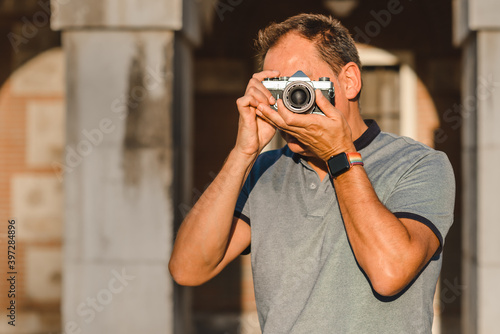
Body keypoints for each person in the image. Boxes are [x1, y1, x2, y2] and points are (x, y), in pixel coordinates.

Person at [169, 13, 455, 333]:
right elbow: (188, 269)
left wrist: (338, 155)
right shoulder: (264, 171)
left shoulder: (419, 164)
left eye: (300, 86)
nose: (291, 102)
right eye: (278, 88)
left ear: (349, 81)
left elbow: (390, 273)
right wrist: (243, 153)